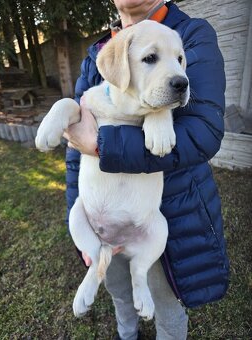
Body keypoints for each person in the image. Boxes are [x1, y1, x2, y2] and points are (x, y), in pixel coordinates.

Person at [64, 1, 230, 339]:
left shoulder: (191, 34)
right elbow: (75, 144)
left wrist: (103, 144)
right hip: (103, 217)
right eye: (150, 58)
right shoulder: (99, 51)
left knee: (165, 307)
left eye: (177, 61)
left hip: (165, 211)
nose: (174, 69)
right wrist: (79, 214)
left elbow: (202, 132)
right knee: (120, 294)